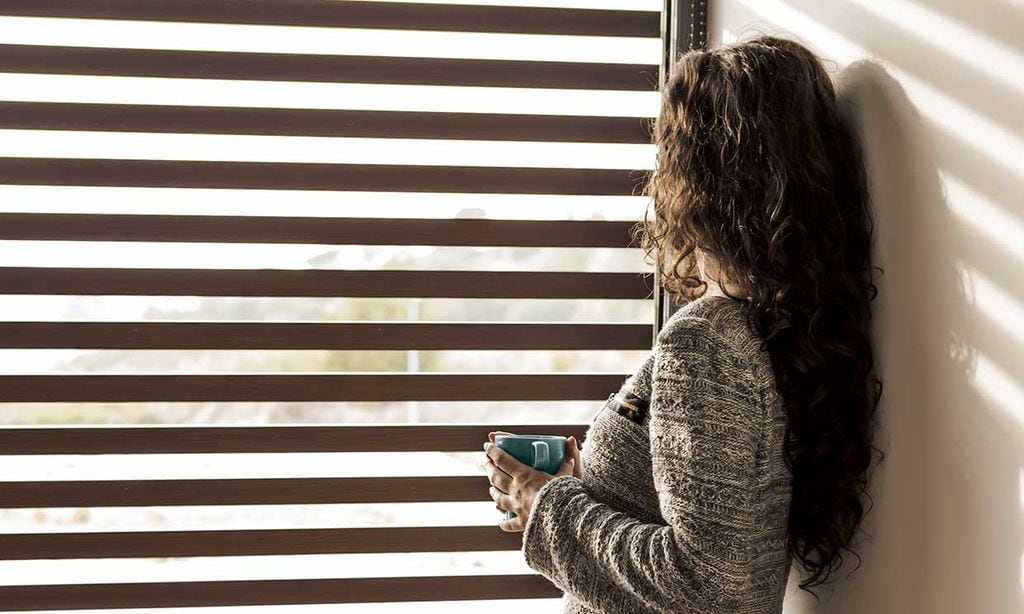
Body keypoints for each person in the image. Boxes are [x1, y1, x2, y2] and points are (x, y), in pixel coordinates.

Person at [482, 34, 883, 613]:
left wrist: (544, 503)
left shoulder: (707, 344)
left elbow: (711, 590)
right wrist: (582, 484)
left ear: (709, 185)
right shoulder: (794, 332)